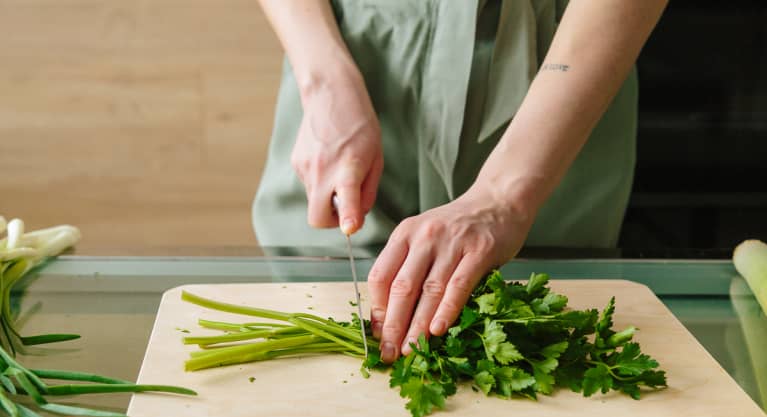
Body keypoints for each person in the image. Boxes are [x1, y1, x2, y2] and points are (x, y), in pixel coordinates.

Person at [253, 0, 667, 364]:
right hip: (346, 53)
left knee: (543, 335)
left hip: (559, 74)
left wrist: (503, 197)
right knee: (321, 343)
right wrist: (324, 81)